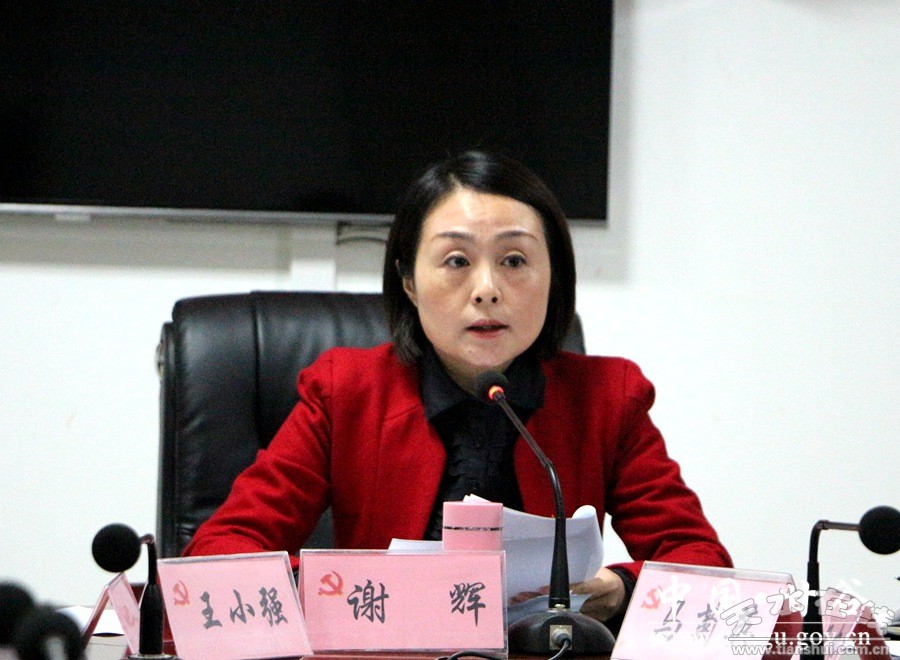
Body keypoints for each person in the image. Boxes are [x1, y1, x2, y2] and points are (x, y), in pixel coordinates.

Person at [183, 150, 732, 630]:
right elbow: (219, 554)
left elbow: (702, 563)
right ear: (408, 281)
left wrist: (623, 588)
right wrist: (344, 591)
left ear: (554, 277)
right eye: (456, 261)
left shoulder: (608, 399)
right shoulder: (345, 393)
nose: (487, 289)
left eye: (514, 260)